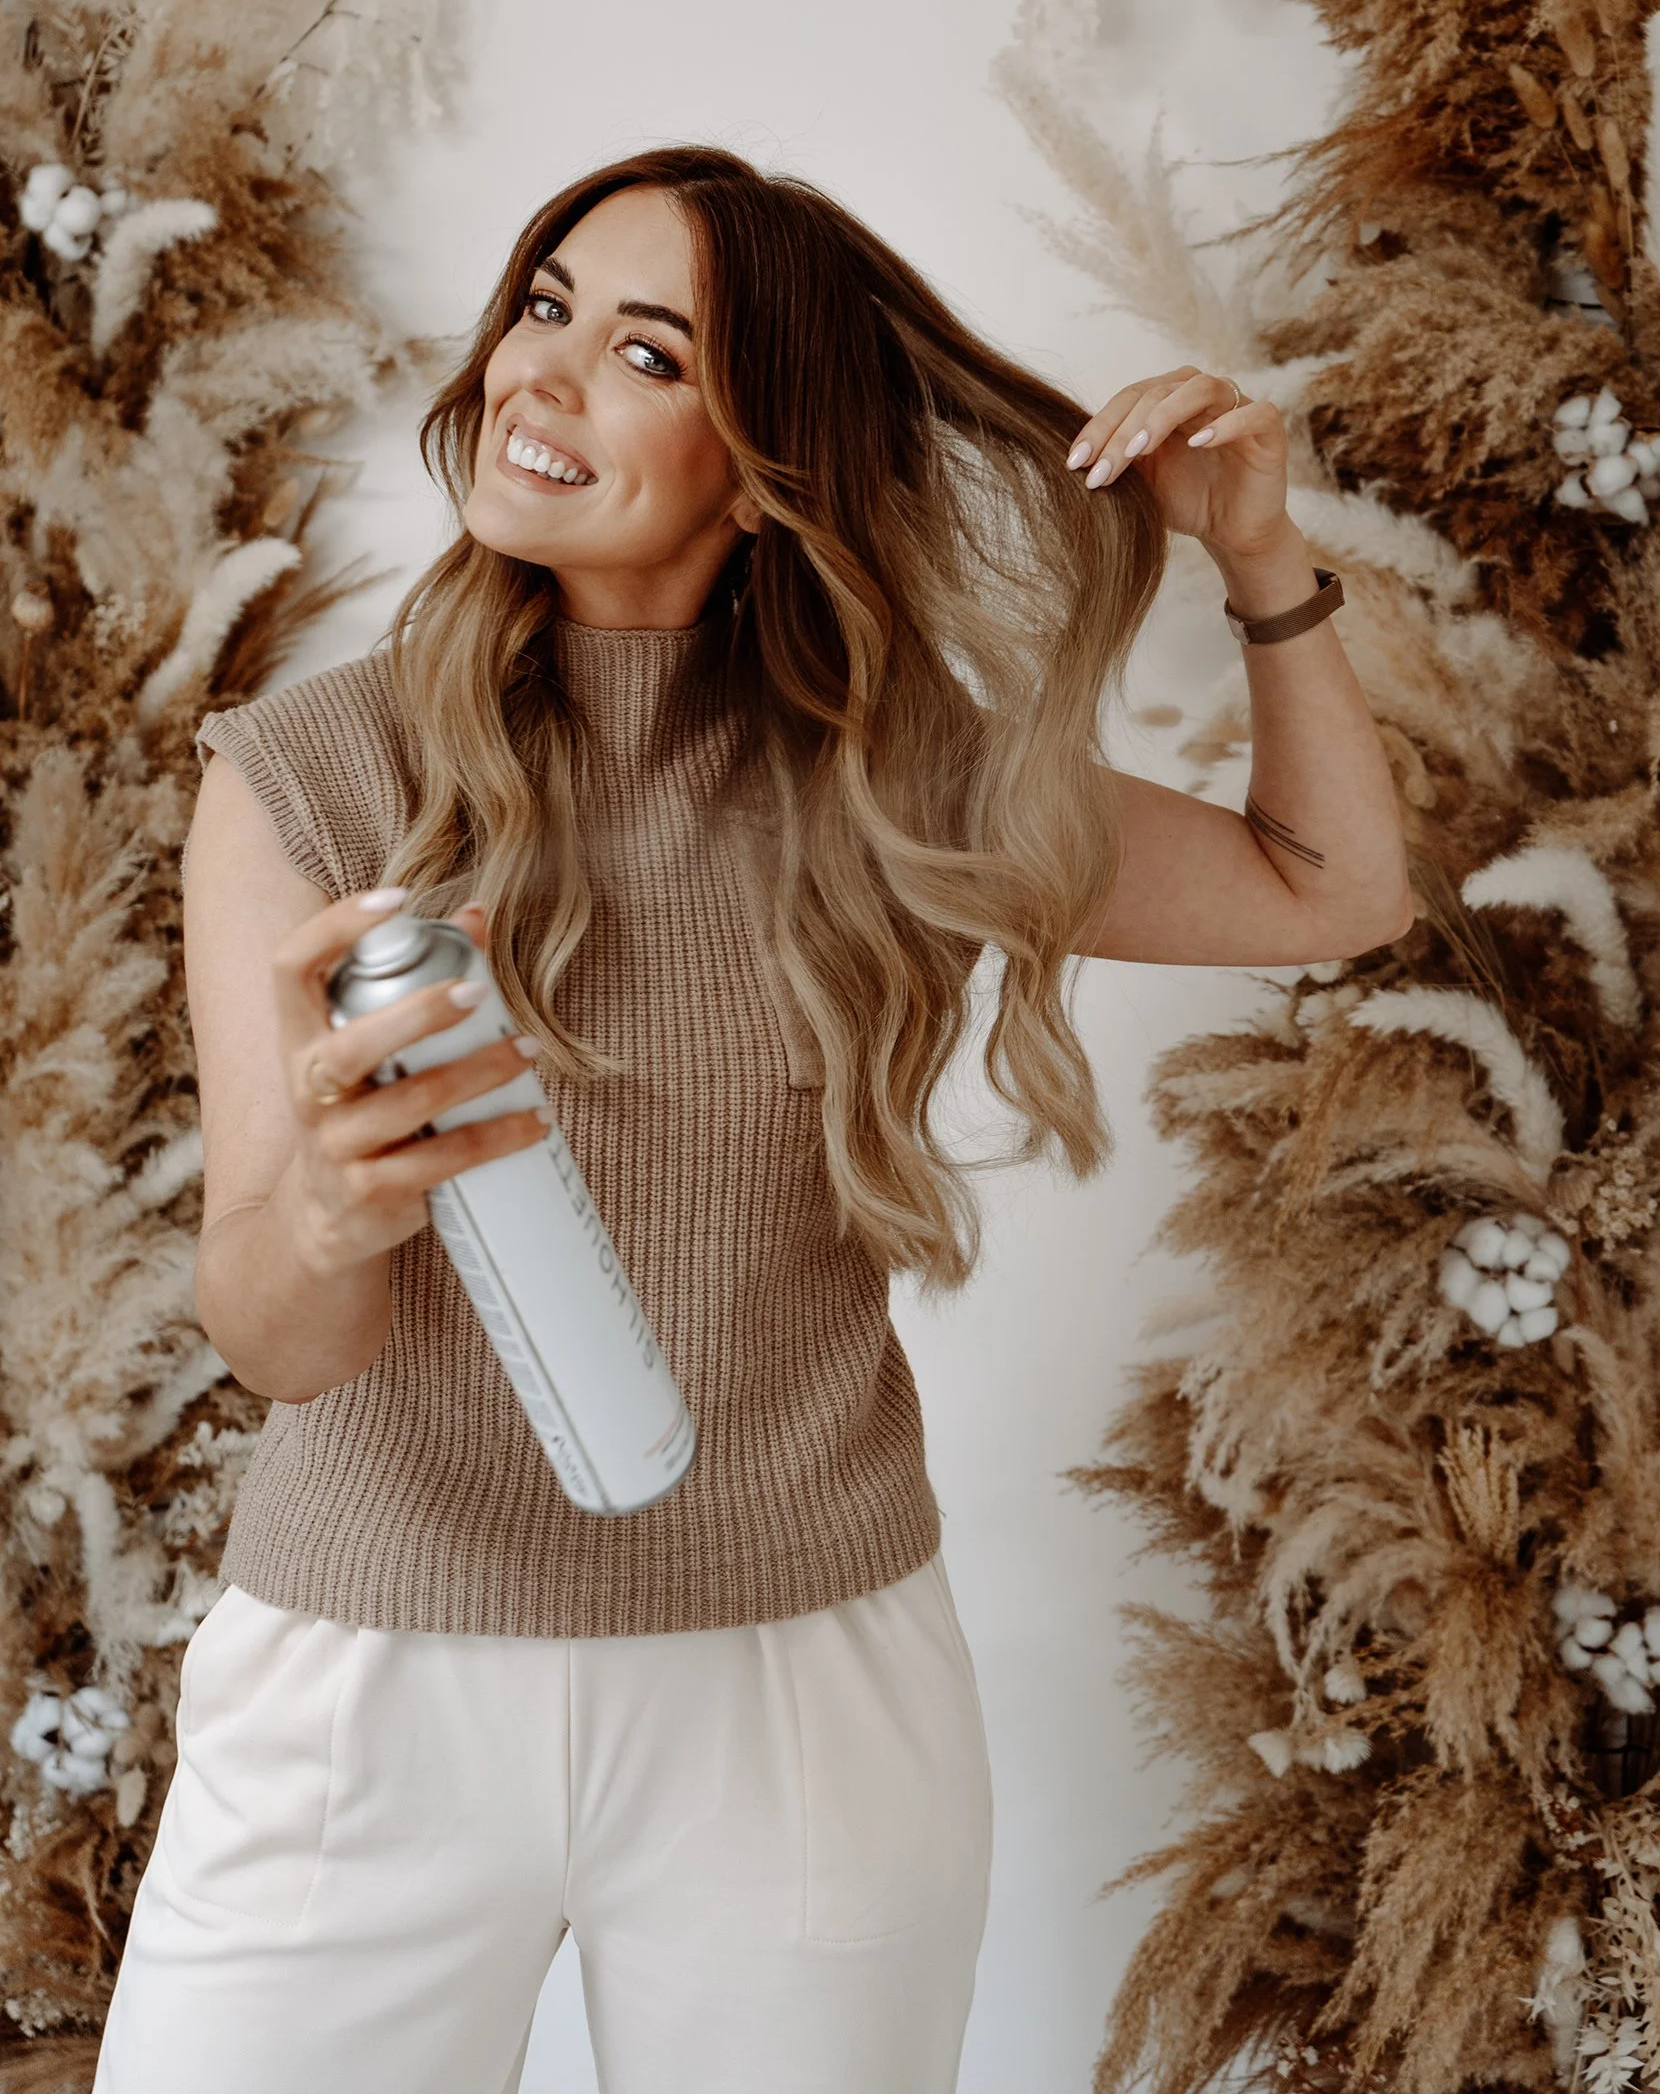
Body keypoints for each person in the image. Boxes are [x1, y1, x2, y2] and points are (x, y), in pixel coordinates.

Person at [92, 146, 1412, 2094]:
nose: (539, 375)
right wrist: (333, 1215)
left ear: (766, 453)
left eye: (645, 353)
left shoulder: (898, 776)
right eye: (543, 303)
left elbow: (1328, 887)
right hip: (364, 1680)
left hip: (796, 1685)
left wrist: (1257, 562)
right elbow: (276, 1336)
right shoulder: (310, 769)